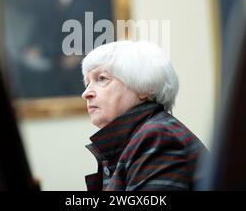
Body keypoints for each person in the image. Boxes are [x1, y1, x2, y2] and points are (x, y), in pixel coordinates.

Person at [81, 40, 208, 191]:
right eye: (88, 83)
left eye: (102, 78)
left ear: (144, 88)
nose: (86, 93)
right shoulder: (134, 139)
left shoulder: (157, 137)